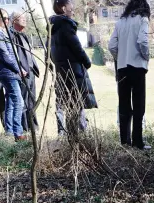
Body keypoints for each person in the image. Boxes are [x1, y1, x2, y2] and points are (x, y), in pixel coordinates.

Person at [49, 0, 96, 138]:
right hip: (73, 71)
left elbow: (51, 53)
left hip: (62, 71)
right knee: (77, 103)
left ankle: (73, 136)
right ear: (63, 8)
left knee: (69, 104)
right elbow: (77, 48)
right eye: (71, 7)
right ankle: (80, 138)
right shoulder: (65, 25)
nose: (73, 10)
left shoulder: (52, 27)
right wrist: (87, 62)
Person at [109, 0, 151, 148]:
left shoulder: (120, 22)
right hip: (137, 66)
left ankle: (125, 141)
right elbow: (143, 42)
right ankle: (137, 141)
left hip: (122, 68)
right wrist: (146, 57)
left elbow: (112, 45)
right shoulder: (143, 19)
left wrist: (120, 57)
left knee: (124, 105)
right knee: (139, 106)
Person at [0, 10, 26, 140]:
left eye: (7, 18)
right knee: (18, 102)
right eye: (4, 18)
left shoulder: (0, 32)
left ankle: (10, 131)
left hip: (9, 72)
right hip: (7, 72)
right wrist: (18, 69)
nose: (7, 21)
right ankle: (18, 133)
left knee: (10, 102)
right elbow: (4, 55)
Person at [10, 13, 42, 137]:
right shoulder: (11, 35)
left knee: (31, 101)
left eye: (25, 18)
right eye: (21, 18)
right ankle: (24, 129)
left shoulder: (24, 35)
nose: (25, 20)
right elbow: (12, 55)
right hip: (22, 73)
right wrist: (19, 69)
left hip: (31, 72)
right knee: (23, 102)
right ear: (14, 21)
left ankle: (33, 127)